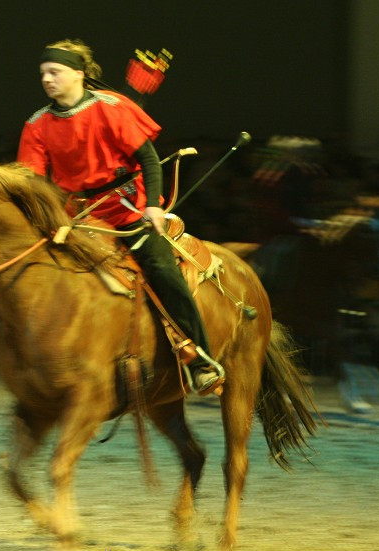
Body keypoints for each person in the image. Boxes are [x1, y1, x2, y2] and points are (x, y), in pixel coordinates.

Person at [16, 39, 222, 394]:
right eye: (43, 74)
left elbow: (148, 158)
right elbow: (34, 182)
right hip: (77, 216)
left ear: (78, 74)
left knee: (161, 269)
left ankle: (200, 357)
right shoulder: (37, 124)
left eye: (55, 72)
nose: (47, 79)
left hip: (127, 206)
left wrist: (153, 207)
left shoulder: (109, 108)